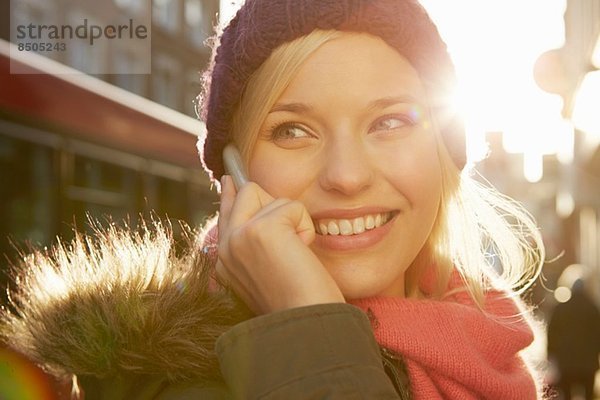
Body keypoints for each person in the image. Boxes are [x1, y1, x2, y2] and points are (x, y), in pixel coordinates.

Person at [0, 0, 546, 399]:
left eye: (389, 121)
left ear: (444, 153)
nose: (348, 176)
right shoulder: (185, 383)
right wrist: (309, 327)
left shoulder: (488, 347)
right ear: (234, 174)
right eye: (291, 131)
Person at [547, 278, 600, 400]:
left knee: (567, 395)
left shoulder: (561, 308)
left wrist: (551, 353)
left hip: (566, 362)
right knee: (589, 395)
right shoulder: (592, 308)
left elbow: (552, 332)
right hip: (588, 363)